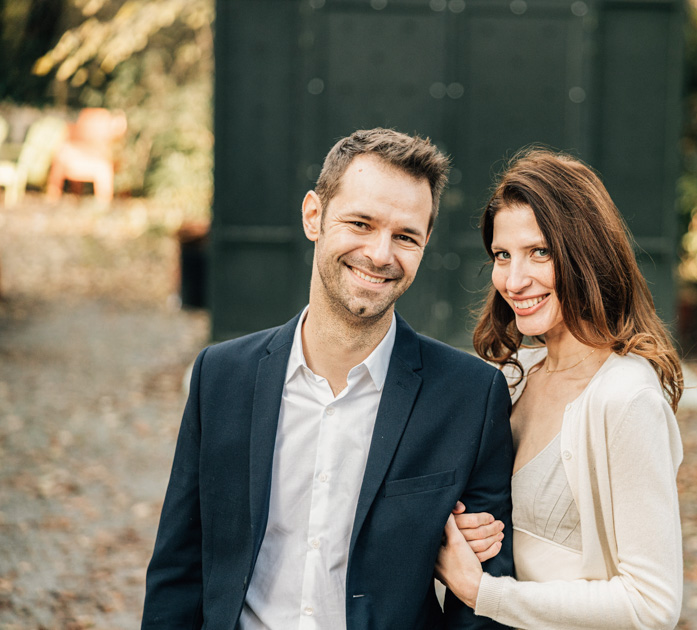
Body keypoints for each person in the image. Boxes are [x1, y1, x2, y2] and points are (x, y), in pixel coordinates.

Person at [142, 128, 515, 630]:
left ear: (426, 243)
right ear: (313, 215)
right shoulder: (221, 377)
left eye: (405, 236)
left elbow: (480, 604)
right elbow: (177, 571)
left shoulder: (470, 397)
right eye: (361, 223)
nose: (381, 254)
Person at [434, 148, 685, 629]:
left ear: (584, 253)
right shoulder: (510, 379)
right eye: (502, 255)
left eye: (539, 253)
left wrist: (483, 592)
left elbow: (652, 605)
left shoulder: (625, 399)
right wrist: (463, 533)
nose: (514, 279)